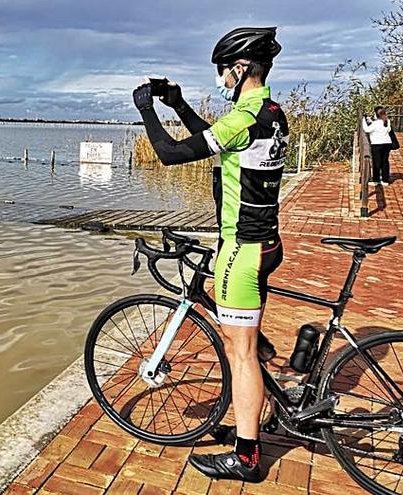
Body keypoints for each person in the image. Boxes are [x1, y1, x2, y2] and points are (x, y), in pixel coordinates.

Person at [131, 26, 286, 482]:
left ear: (240, 69)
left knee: (240, 353)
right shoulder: (268, 113)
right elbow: (216, 140)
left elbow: (170, 153)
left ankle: (247, 456)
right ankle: (258, 402)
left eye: (223, 71)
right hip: (265, 243)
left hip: (242, 249)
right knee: (232, 325)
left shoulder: (244, 118)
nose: (220, 79)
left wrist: (146, 109)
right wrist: (177, 104)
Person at [363, 106, 393, 185]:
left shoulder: (376, 123)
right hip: (387, 143)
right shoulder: (387, 121)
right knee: (385, 162)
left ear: (376, 114)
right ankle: (385, 180)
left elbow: (367, 129)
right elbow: (388, 129)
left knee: (376, 162)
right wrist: (370, 120)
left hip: (377, 144)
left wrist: (363, 120)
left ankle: (376, 180)